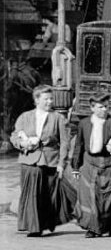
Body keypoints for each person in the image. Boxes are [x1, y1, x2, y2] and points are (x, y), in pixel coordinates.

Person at [10, 84, 74, 237]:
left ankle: (42, 224)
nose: (50, 102)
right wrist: (23, 143)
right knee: (31, 195)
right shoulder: (25, 117)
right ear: (36, 100)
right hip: (29, 160)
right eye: (46, 99)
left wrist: (61, 164)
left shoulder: (58, 118)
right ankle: (34, 227)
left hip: (50, 161)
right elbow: (15, 135)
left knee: (46, 195)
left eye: (51, 99)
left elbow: (65, 142)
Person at [71, 93, 111, 238]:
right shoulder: (84, 123)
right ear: (92, 108)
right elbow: (79, 145)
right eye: (100, 107)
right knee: (91, 197)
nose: (104, 109)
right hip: (90, 163)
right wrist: (76, 167)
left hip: (110, 164)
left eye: (106, 106)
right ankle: (93, 228)